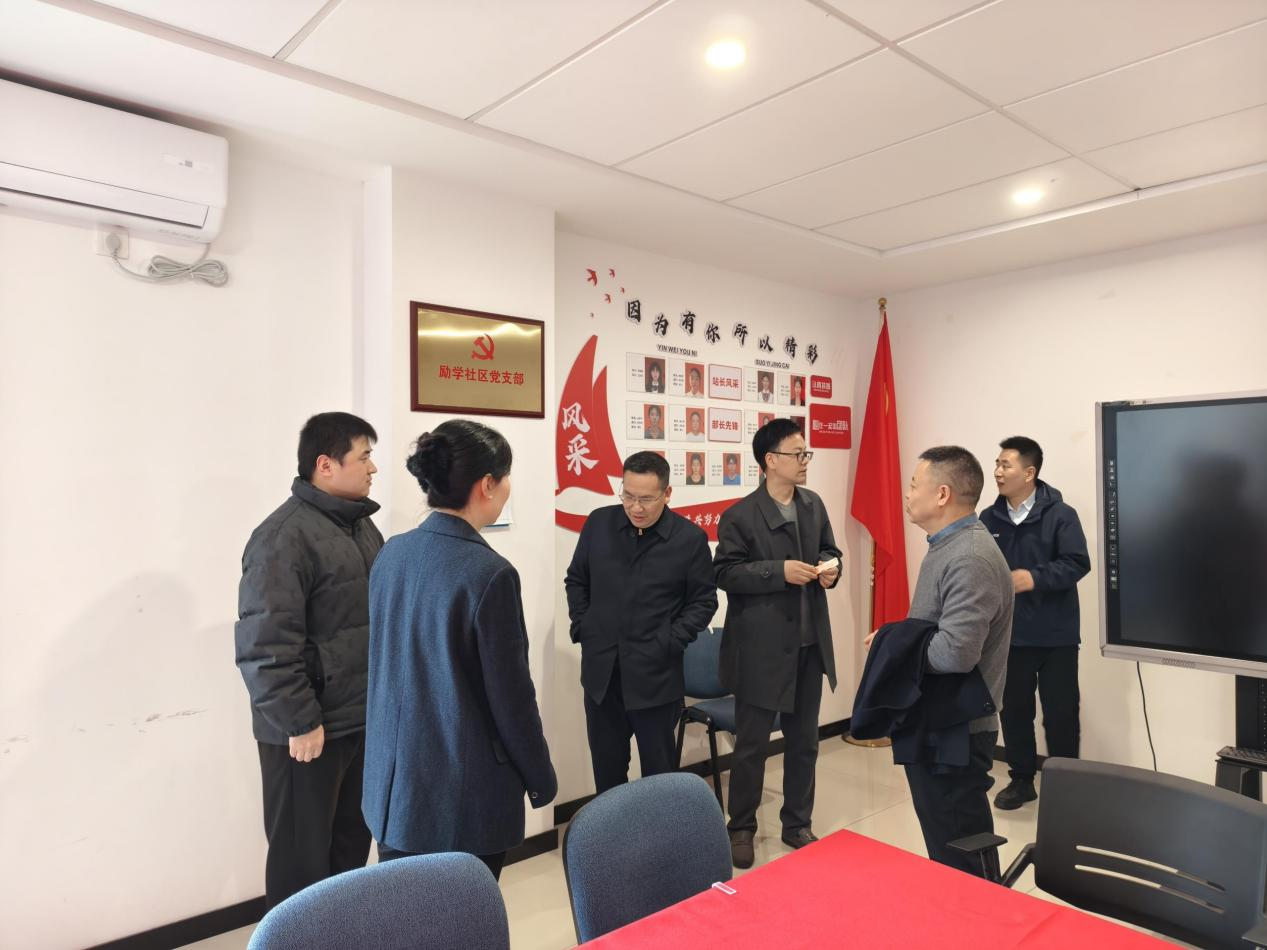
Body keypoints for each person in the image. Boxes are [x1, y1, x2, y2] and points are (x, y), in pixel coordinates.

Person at [362, 420, 556, 880]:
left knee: (406, 910)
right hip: (459, 794)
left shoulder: (392, 553)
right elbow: (511, 698)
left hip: (392, 787)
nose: (508, 486)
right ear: (487, 484)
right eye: (506, 476)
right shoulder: (489, 573)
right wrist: (540, 778)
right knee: (461, 914)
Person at [235, 411, 383, 908]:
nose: (373, 468)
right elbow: (265, 645)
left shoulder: (360, 527)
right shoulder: (282, 538)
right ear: (325, 465)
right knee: (300, 864)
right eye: (364, 457)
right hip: (307, 733)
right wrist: (300, 721)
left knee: (348, 851)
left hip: (356, 720)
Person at [869, 446, 1012, 877]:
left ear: (943, 494)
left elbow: (955, 652)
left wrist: (892, 643)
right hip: (937, 718)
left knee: (961, 853)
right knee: (947, 846)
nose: (907, 494)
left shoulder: (969, 556)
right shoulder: (947, 545)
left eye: (915, 485)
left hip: (956, 730)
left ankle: (983, 917)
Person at [714, 419, 841, 868]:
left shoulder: (813, 504)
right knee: (751, 746)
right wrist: (777, 571)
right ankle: (741, 827)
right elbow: (725, 573)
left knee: (804, 741)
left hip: (808, 646)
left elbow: (830, 550)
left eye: (806, 454)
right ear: (770, 460)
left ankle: (797, 823)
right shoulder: (740, 515)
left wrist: (831, 568)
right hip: (760, 651)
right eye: (797, 453)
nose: (805, 461)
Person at [564, 451, 717, 794]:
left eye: (646, 499)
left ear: (667, 493)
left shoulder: (689, 539)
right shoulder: (599, 524)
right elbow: (576, 580)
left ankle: (659, 832)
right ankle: (613, 831)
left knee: (659, 780)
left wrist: (670, 641)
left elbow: (704, 601)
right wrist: (584, 626)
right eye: (628, 495)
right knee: (607, 775)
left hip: (656, 679)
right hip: (603, 677)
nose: (635, 507)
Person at [981, 437, 1090, 810]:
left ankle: (1067, 785)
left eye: (1005, 465)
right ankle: (1022, 780)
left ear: (1029, 473)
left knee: (1061, 713)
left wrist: (1034, 578)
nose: (998, 471)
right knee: (1014, 711)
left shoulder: (1061, 515)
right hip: (1009, 635)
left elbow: (1077, 563)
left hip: (1056, 635)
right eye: (997, 464)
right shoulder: (988, 519)